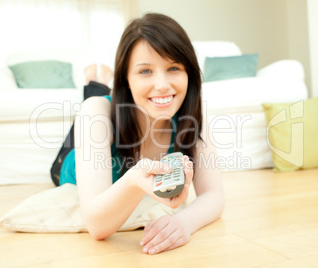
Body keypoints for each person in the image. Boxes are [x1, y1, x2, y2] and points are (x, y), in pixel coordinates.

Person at [59, 13, 224, 255]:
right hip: (71, 162)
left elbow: (214, 195)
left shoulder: (193, 116)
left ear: (189, 73)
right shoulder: (95, 113)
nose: (162, 85)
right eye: (145, 71)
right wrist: (136, 178)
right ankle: (96, 81)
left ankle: (100, 81)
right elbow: (97, 226)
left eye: (173, 68)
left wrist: (184, 223)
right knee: (92, 103)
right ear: (126, 77)